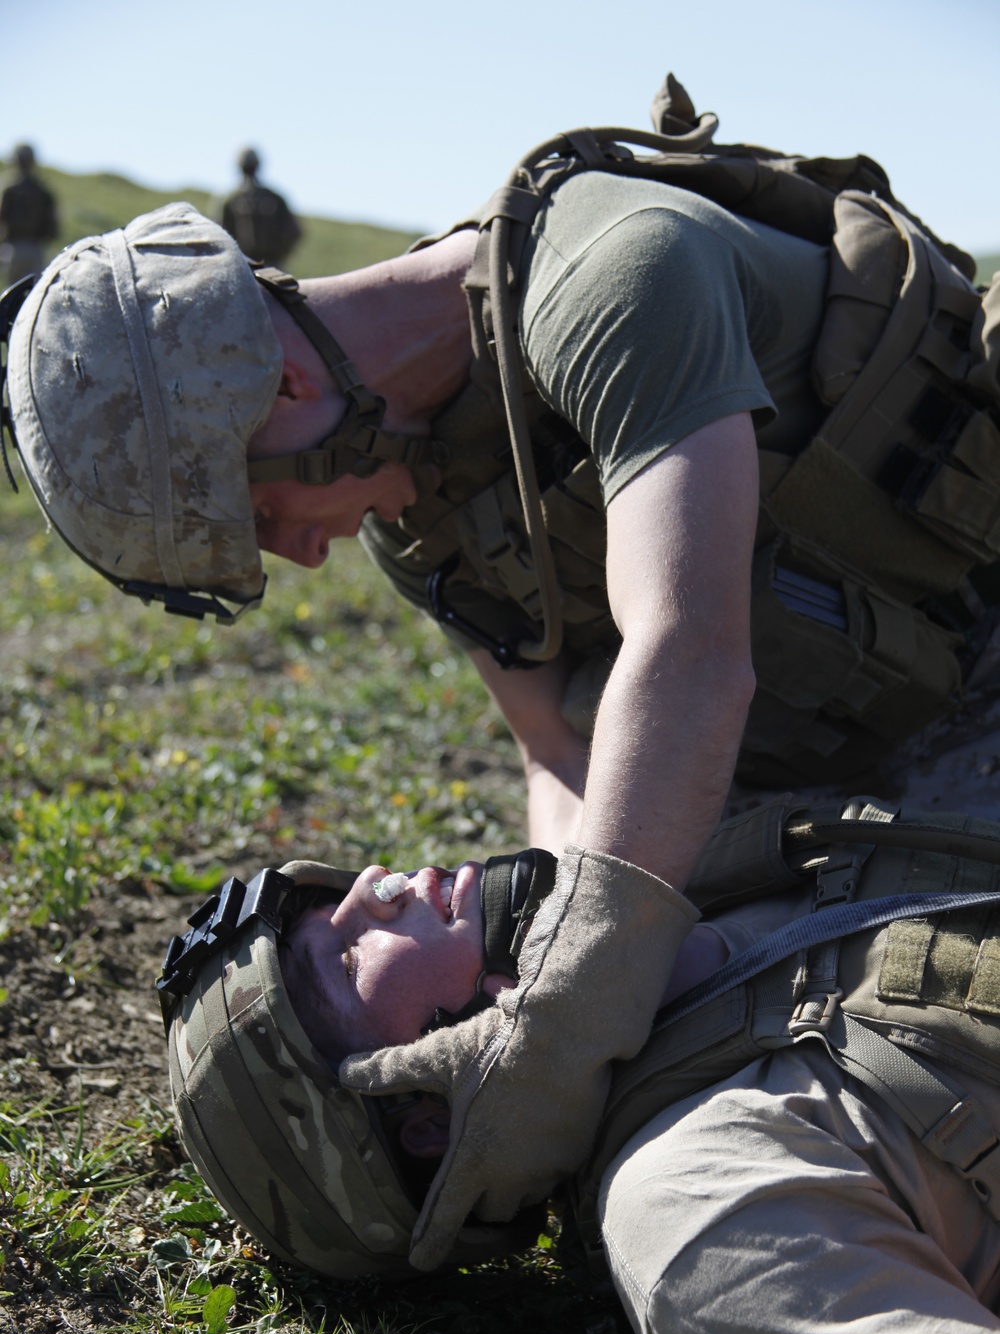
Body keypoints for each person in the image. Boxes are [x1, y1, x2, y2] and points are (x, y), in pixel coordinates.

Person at [4, 75, 1000, 1250]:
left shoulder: (617, 273)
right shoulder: (416, 507)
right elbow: (557, 748)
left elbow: (688, 654)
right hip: (878, 719)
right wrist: (520, 974)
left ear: (285, 384)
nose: (302, 554)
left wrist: (577, 1008)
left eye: (265, 515)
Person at [161, 801, 1000, 1334]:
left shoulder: (686, 864)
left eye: (332, 906)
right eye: (345, 957)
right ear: (425, 1119)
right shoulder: (691, 1202)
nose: (372, 889)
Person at [219, 147, 301, 267]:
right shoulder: (274, 198)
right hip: (262, 264)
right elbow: (294, 232)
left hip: (247, 266)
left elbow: (218, 235)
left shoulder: (230, 200)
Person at [0, 143, 58, 288]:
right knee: (32, 294)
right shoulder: (42, 190)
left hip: (12, 248)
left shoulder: (9, 188)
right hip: (35, 248)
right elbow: (53, 224)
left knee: (11, 296)